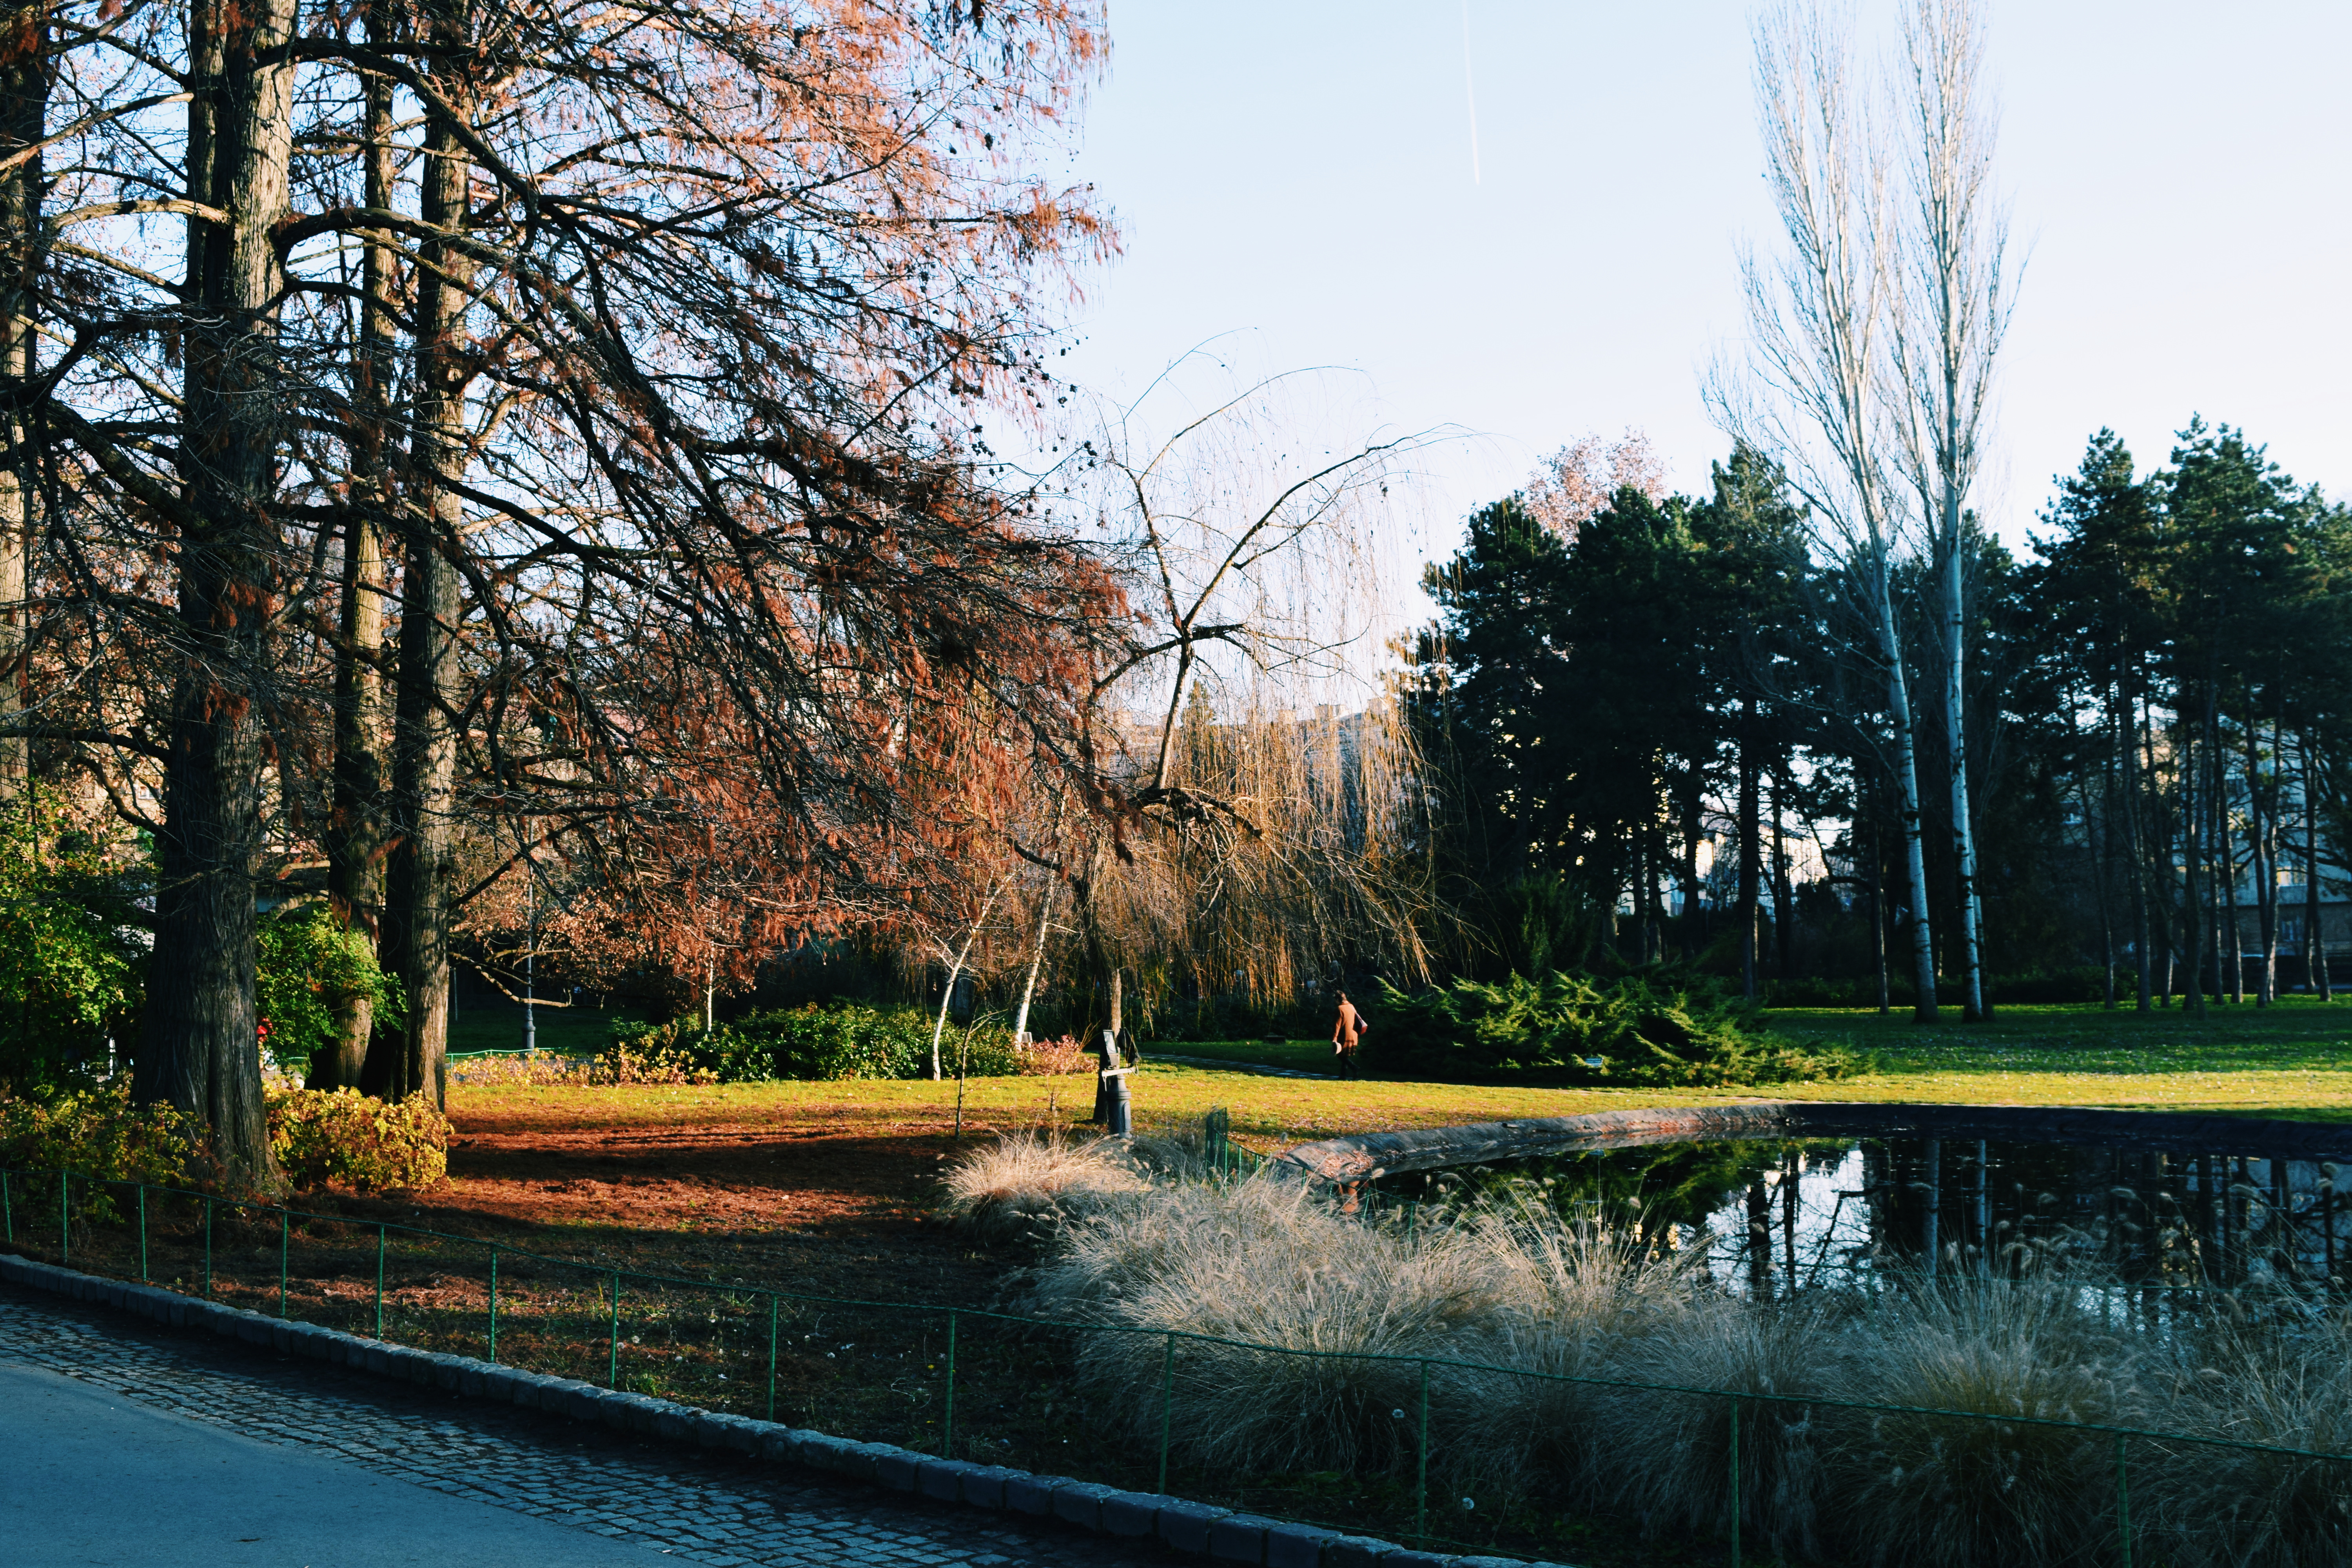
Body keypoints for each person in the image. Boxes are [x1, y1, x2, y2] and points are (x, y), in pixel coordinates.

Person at [1331, 992, 1367, 1076]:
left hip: (1344, 1036)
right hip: (1354, 1035)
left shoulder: (1340, 1009)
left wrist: (1334, 1039)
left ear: (1337, 1000)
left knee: (1340, 1055)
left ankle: (1354, 1067)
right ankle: (1343, 1076)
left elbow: (1337, 1025)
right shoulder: (1351, 1006)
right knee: (1345, 1055)